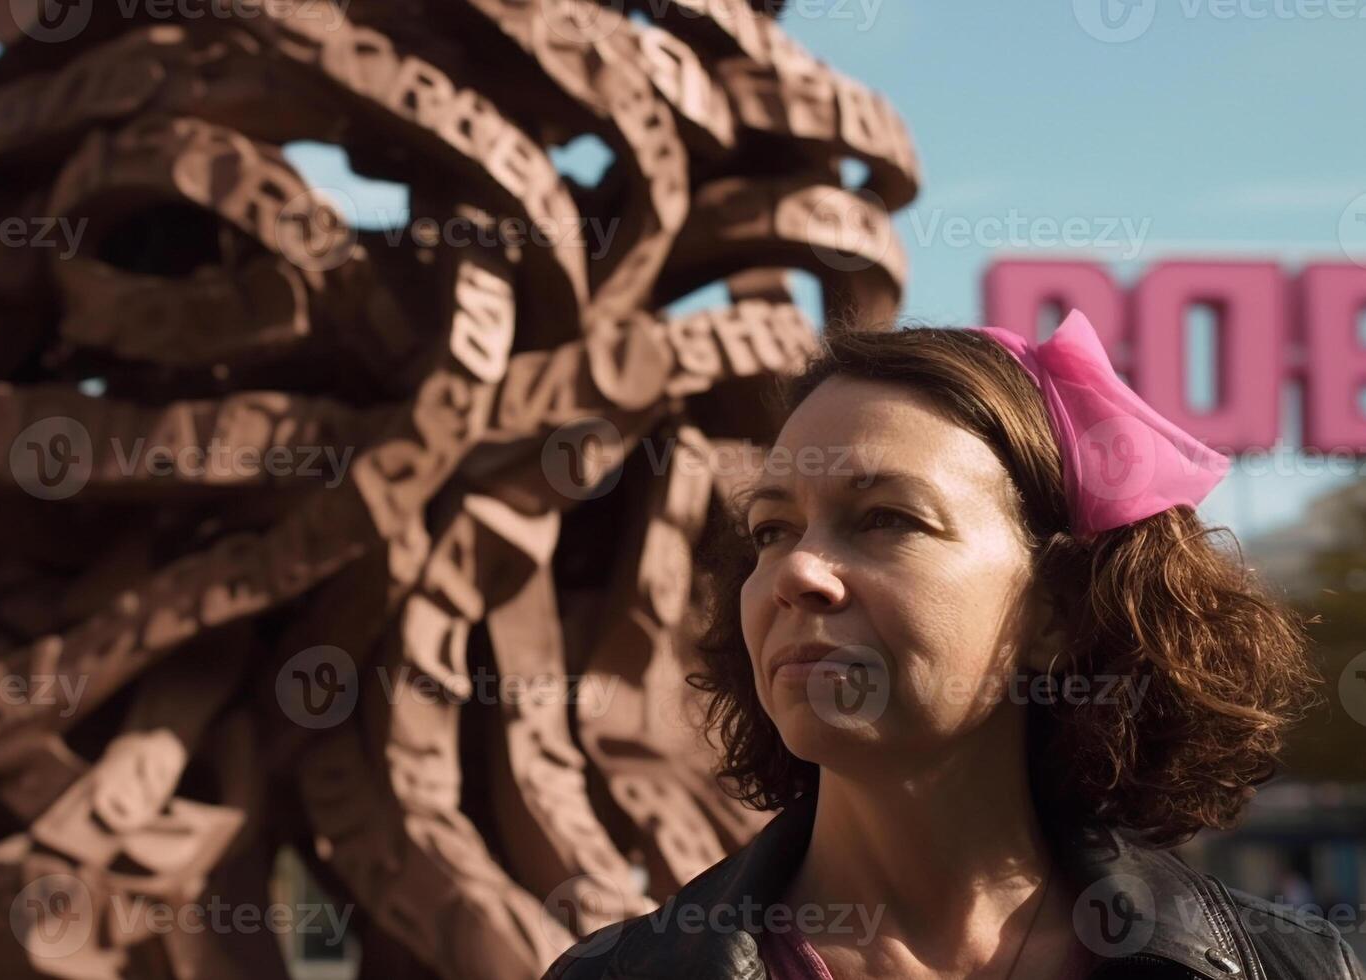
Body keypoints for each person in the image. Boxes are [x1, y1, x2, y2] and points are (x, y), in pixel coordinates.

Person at [541, 312, 1364, 979]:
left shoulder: (1296, 967)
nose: (795, 571)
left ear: (1060, 610)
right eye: (770, 529)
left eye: (885, 519)